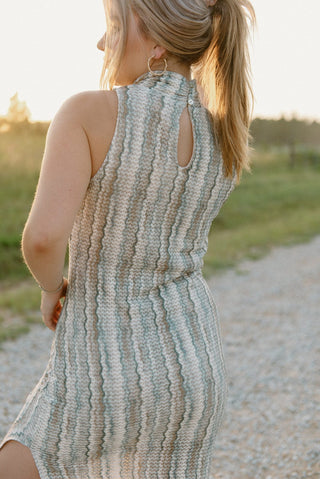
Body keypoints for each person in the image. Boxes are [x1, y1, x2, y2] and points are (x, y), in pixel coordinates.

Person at [0, 0, 255, 477]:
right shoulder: (224, 130)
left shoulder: (87, 112)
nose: (101, 43)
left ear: (156, 41)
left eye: (113, 27)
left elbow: (41, 239)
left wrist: (51, 288)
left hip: (102, 368)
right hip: (194, 367)